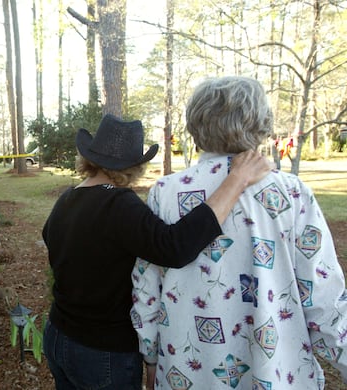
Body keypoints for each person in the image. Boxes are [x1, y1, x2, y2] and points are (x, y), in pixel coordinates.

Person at [131, 76, 347, 389]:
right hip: (276, 373)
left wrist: (150, 355)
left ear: (196, 123)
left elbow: (146, 288)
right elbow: (324, 296)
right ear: (260, 121)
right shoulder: (293, 195)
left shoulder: (166, 193)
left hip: (189, 373)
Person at [42, 113, 272, 389]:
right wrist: (236, 181)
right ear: (134, 166)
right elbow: (174, 248)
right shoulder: (118, 204)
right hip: (102, 350)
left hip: (58, 336)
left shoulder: (67, 200)